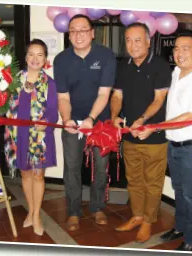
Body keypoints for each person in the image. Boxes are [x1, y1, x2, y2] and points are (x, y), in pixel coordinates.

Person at [53, 14, 116, 231]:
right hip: (73, 121)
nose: (78, 34)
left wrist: (90, 119)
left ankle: (98, 207)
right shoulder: (61, 60)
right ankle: (73, 211)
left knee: (100, 167)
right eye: (73, 30)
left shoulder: (106, 56)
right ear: (69, 34)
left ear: (92, 33)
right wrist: (67, 119)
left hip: (100, 122)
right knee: (71, 167)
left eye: (83, 29)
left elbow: (104, 94)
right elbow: (63, 97)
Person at [111, 22, 171, 243]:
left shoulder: (161, 66)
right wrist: (113, 116)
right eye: (128, 40)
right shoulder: (123, 66)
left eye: (138, 40)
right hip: (129, 136)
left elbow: (159, 99)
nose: (133, 45)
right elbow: (117, 96)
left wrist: (142, 120)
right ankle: (137, 216)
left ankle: (148, 220)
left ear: (148, 41)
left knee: (152, 182)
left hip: (153, 136)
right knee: (134, 180)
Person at [5, 39, 59, 236]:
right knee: (26, 174)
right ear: (26, 57)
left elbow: (54, 112)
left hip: (40, 136)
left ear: (45, 59)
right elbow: (9, 108)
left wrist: (45, 121)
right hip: (18, 135)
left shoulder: (49, 83)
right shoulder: (14, 81)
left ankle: (35, 215)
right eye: (31, 54)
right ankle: (31, 211)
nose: (35, 59)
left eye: (40, 55)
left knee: (38, 175)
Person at [158, 31, 192, 251]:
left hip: (191, 146)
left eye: (185, 48)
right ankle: (180, 227)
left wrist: (156, 127)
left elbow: (191, 116)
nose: (179, 53)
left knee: (190, 194)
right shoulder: (177, 71)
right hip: (173, 144)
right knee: (178, 189)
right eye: (176, 48)